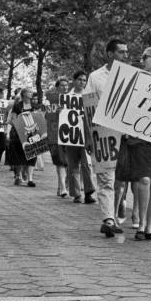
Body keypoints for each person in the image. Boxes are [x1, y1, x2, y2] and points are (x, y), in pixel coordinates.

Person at [115, 45, 151, 241]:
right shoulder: (137, 80)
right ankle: (140, 224)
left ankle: (149, 226)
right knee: (144, 179)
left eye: (145, 57)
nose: (142, 60)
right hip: (139, 138)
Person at [85, 39, 127, 237]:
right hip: (103, 134)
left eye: (126, 52)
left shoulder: (130, 77)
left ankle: (114, 215)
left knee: (120, 180)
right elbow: (87, 106)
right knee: (106, 179)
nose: (125, 56)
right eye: (120, 52)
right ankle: (108, 219)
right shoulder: (95, 77)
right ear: (110, 54)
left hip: (125, 135)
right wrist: (88, 136)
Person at [66, 70, 96, 204]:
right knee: (73, 166)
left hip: (85, 135)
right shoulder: (67, 97)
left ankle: (89, 192)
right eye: (80, 79)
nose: (82, 82)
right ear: (74, 80)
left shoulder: (89, 97)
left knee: (86, 164)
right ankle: (76, 194)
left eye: (84, 80)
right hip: (71, 136)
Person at [5, 87, 38, 187]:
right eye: (29, 92)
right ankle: (18, 176)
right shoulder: (17, 106)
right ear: (24, 94)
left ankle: (30, 179)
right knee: (19, 156)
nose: (31, 93)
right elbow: (13, 119)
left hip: (32, 133)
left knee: (32, 156)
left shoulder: (34, 105)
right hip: (19, 134)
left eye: (31, 92)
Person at [48, 79, 70, 197]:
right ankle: (62, 187)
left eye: (66, 85)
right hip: (55, 136)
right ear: (57, 88)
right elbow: (47, 117)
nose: (65, 88)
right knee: (60, 162)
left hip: (69, 136)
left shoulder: (72, 100)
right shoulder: (51, 100)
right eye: (62, 85)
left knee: (67, 163)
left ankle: (61, 186)